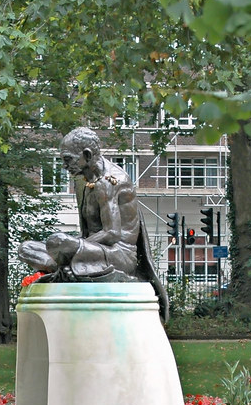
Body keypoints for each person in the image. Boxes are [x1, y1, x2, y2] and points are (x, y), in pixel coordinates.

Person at [19, 127, 168, 318]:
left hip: (118, 253)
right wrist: (76, 245)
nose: (65, 166)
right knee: (26, 248)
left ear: (87, 155)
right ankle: (68, 268)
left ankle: (67, 267)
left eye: (68, 159)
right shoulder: (82, 181)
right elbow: (86, 233)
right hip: (93, 248)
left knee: (57, 242)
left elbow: (112, 234)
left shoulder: (109, 182)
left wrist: (75, 245)